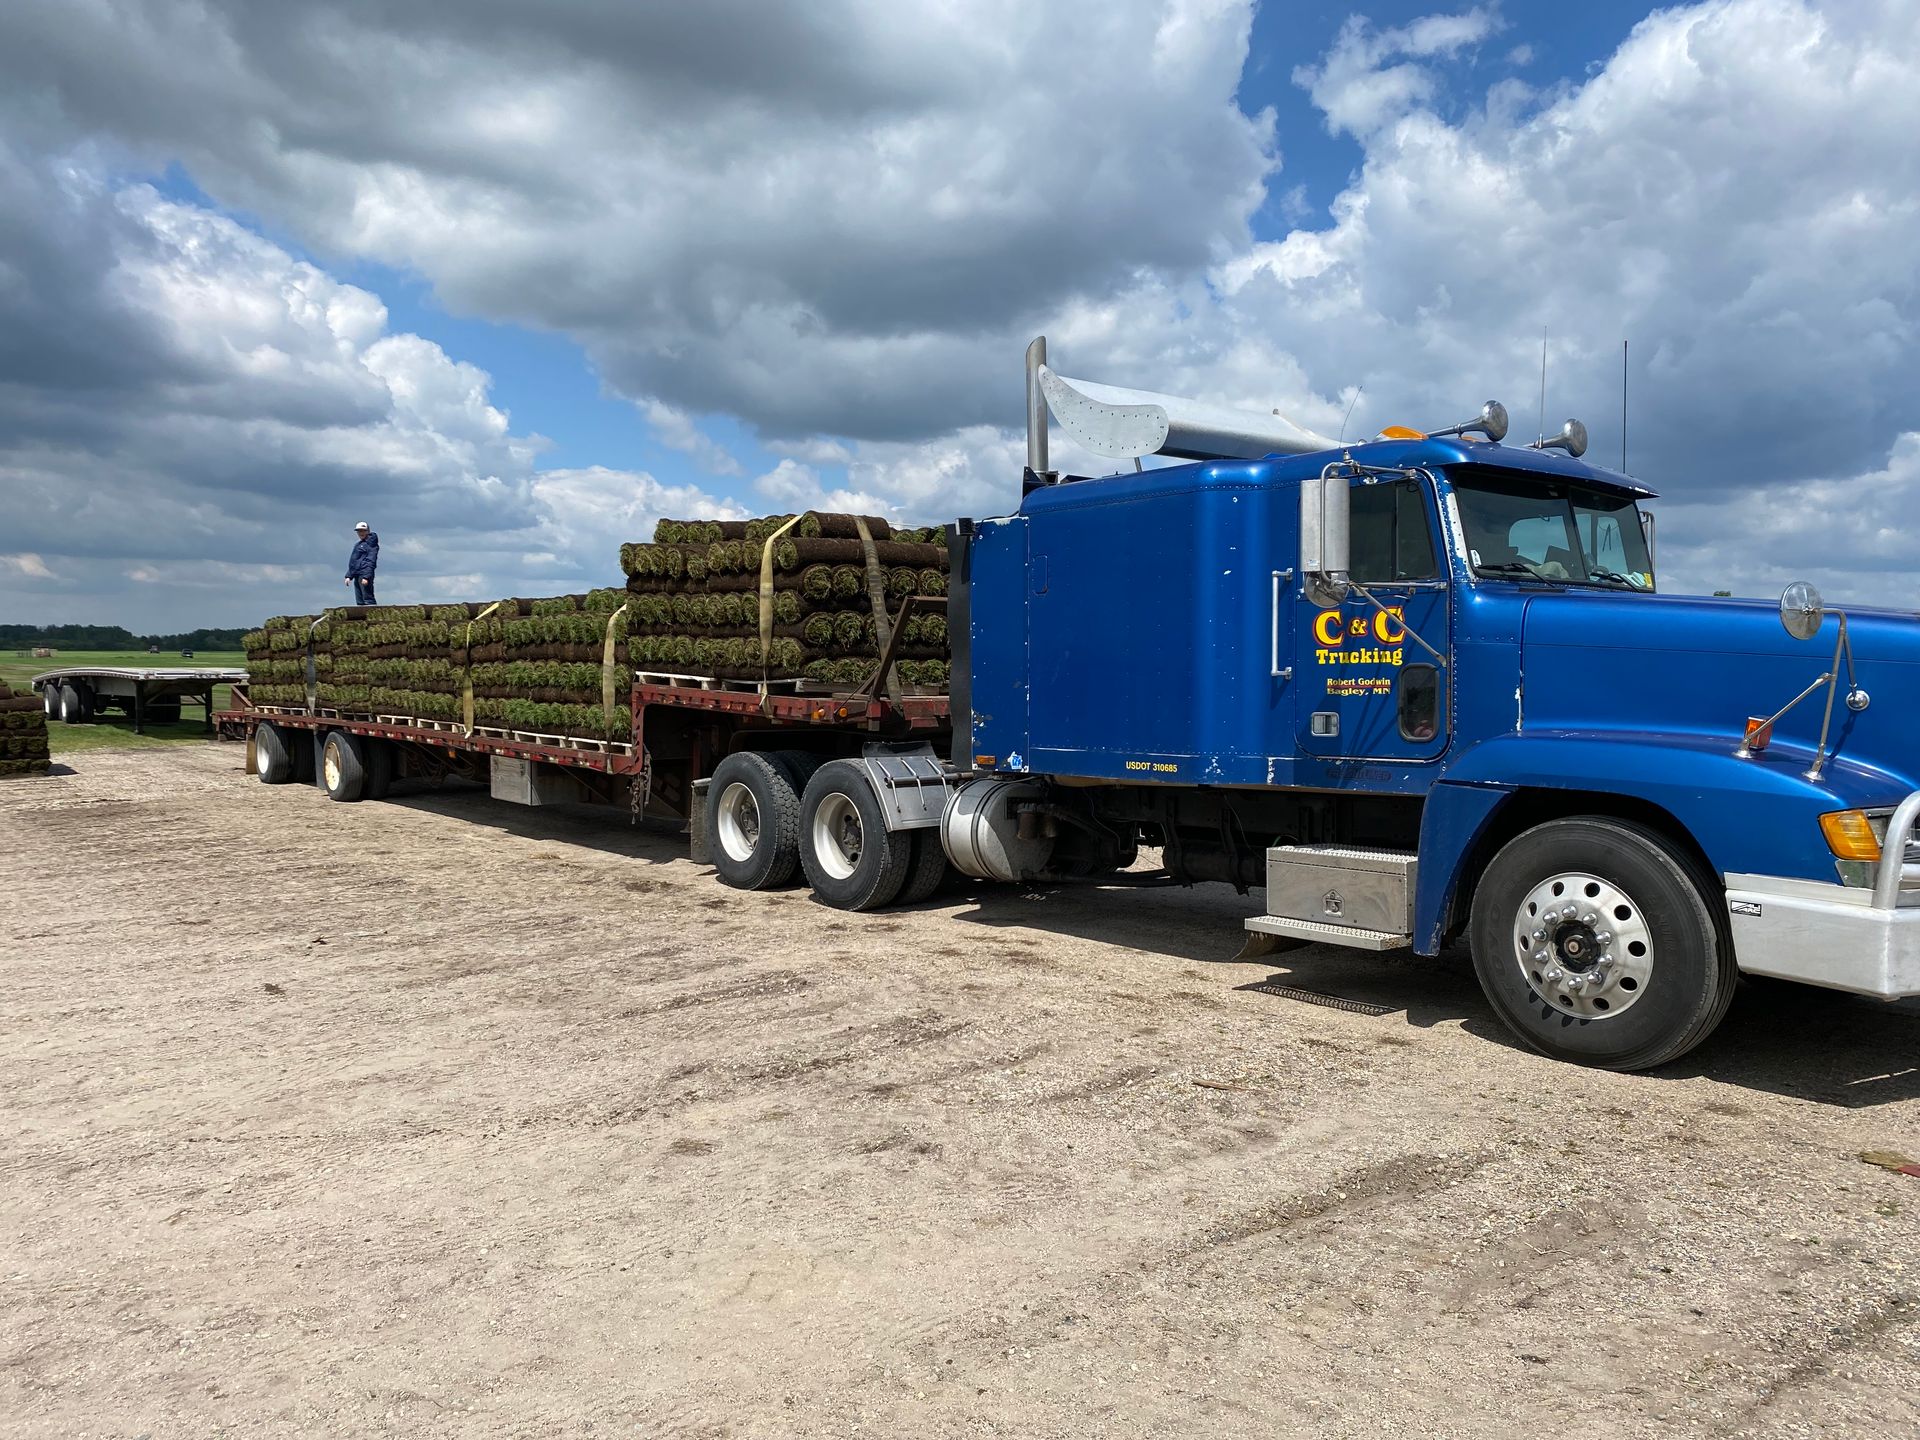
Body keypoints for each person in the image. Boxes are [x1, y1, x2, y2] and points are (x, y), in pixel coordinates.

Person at [345, 521, 379, 604]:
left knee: (368, 598)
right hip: (357, 574)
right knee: (360, 601)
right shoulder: (358, 544)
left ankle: (373, 615)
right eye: (359, 531)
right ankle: (362, 616)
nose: (361, 533)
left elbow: (371, 561)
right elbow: (354, 562)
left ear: (368, 531)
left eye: (363, 531)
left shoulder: (371, 544)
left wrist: (366, 577)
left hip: (364, 574)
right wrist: (349, 576)